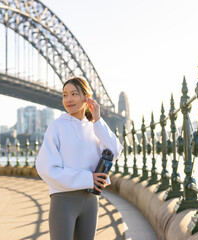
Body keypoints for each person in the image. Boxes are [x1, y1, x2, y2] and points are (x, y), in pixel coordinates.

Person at [36, 76, 122, 240]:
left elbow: (115, 150)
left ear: (86, 96)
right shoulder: (57, 126)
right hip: (63, 200)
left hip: (90, 201)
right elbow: (45, 168)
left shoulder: (94, 128)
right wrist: (87, 178)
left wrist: (97, 119)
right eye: (64, 95)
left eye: (74, 94)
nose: (68, 99)